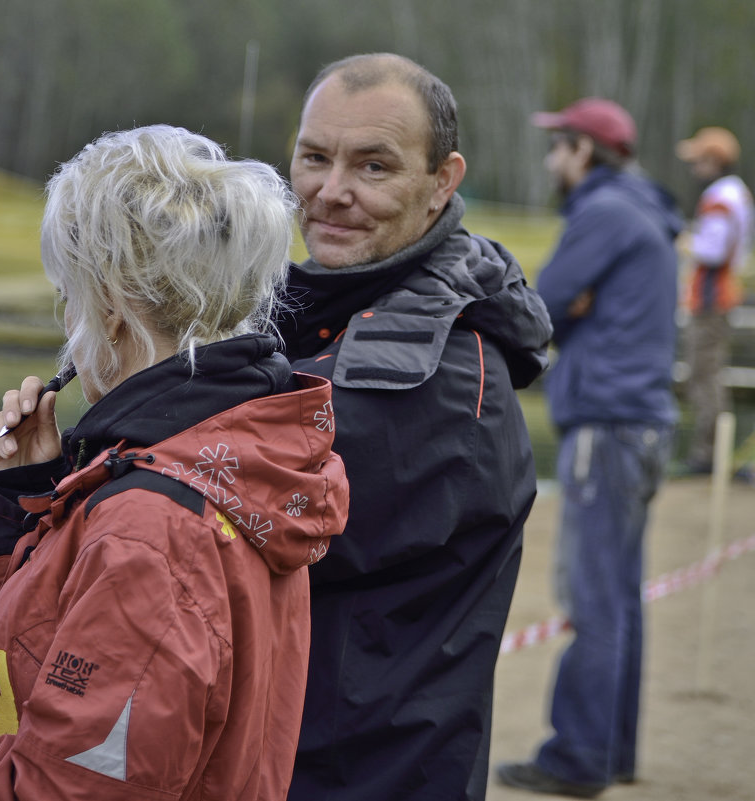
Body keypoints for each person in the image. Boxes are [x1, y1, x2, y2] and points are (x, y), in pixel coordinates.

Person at [0, 125, 349, 801]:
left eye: (69, 297)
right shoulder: (227, 457)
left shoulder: (153, 529)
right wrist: (23, 493)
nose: (69, 323)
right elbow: (36, 666)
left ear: (110, 309)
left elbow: (59, 791)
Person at [276, 53, 553, 801]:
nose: (331, 193)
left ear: (442, 183)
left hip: (363, 774)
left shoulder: (439, 370)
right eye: (314, 158)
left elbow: (220, 521)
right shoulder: (327, 316)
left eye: (373, 167)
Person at [496, 99, 682, 798]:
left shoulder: (601, 214)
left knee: (593, 596)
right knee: (621, 597)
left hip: (604, 426)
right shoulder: (646, 211)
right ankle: (613, 750)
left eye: (559, 146)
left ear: (585, 152)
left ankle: (577, 756)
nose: (551, 160)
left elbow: (537, 307)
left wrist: (570, 313)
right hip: (643, 423)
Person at [675, 126, 755, 474]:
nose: (694, 168)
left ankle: (709, 455)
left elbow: (713, 250)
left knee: (704, 375)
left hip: (711, 299)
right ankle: (712, 452)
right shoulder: (733, 193)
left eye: (699, 160)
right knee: (707, 374)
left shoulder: (721, 198)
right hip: (718, 296)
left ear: (714, 161)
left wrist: (680, 240)